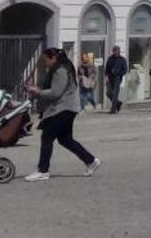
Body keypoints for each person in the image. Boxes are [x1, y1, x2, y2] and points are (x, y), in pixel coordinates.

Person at [23, 47, 99, 182]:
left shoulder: (61, 71)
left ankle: (43, 170)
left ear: (54, 58)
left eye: (46, 60)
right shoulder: (61, 69)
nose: (45, 63)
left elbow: (55, 93)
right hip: (67, 109)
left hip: (63, 109)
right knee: (65, 139)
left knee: (47, 137)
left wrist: (37, 91)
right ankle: (91, 160)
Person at [104, 48, 129, 114]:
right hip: (110, 78)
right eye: (115, 51)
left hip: (117, 79)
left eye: (117, 51)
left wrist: (120, 75)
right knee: (108, 93)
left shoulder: (122, 59)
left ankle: (113, 109)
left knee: (115, 94)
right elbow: (106, 68)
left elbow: (125, 69)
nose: (116, 52)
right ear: (113, 51)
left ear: (119, 52)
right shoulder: (110, 58)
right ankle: (118, 103)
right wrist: (106, 76)